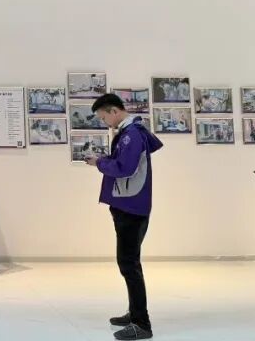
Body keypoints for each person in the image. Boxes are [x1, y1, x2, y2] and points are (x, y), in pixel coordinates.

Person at [85, 94, 164, 341]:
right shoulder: (131, 133)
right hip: (129, 204)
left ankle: (141, 323)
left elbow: (125, 168)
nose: (105, 122)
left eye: (103, 117)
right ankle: (134, 313)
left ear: (114, 111)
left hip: (131, 207)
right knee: (129, 263)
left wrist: (99, 163)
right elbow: (124, 163)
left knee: (129, 264)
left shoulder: (131, 135)